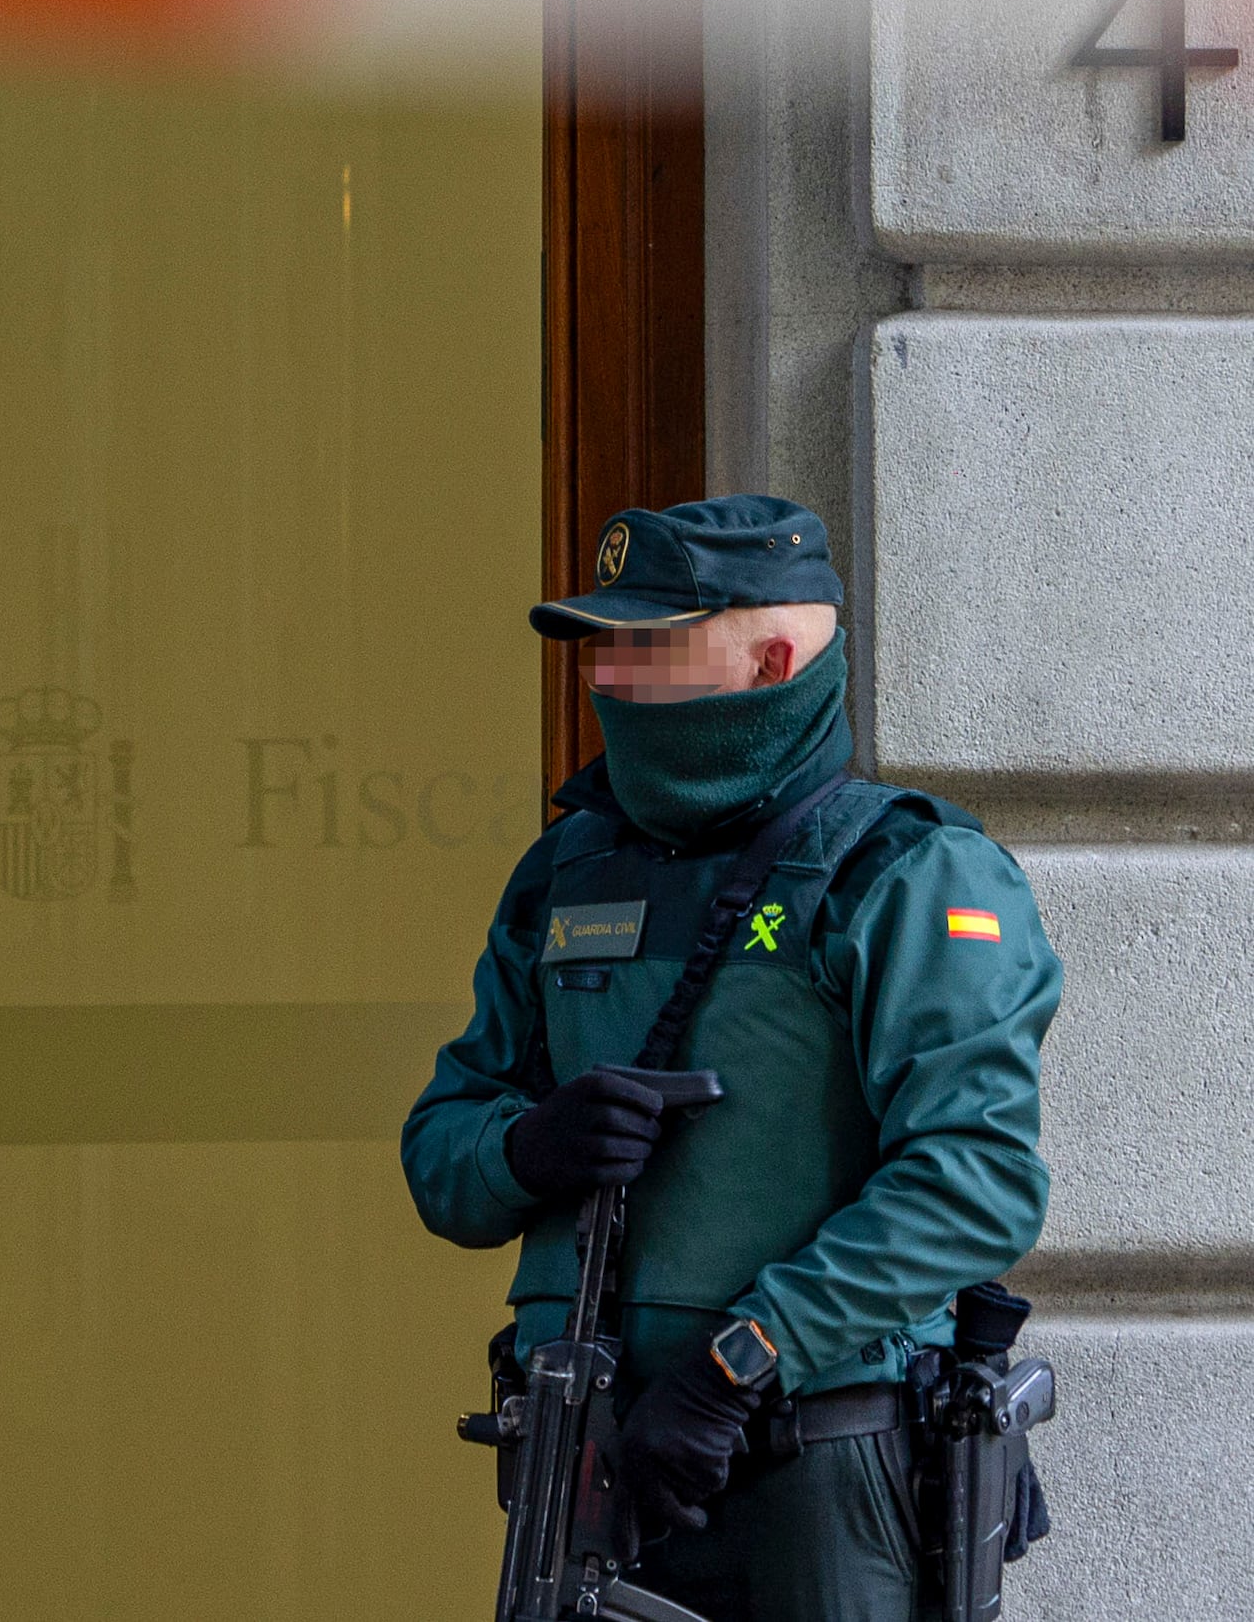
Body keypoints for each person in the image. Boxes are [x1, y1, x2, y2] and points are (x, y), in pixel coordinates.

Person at [402, 495, 1063, 1620]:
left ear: (769, 659)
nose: (609, 677)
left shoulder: (907, 871)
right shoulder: (566, 872)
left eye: (651, 646)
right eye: (603, 648)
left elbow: (975, 1181)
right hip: (588, 1452)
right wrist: (527, 1146)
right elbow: (440, 1155)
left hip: (814, 1456)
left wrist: (736, 1365)